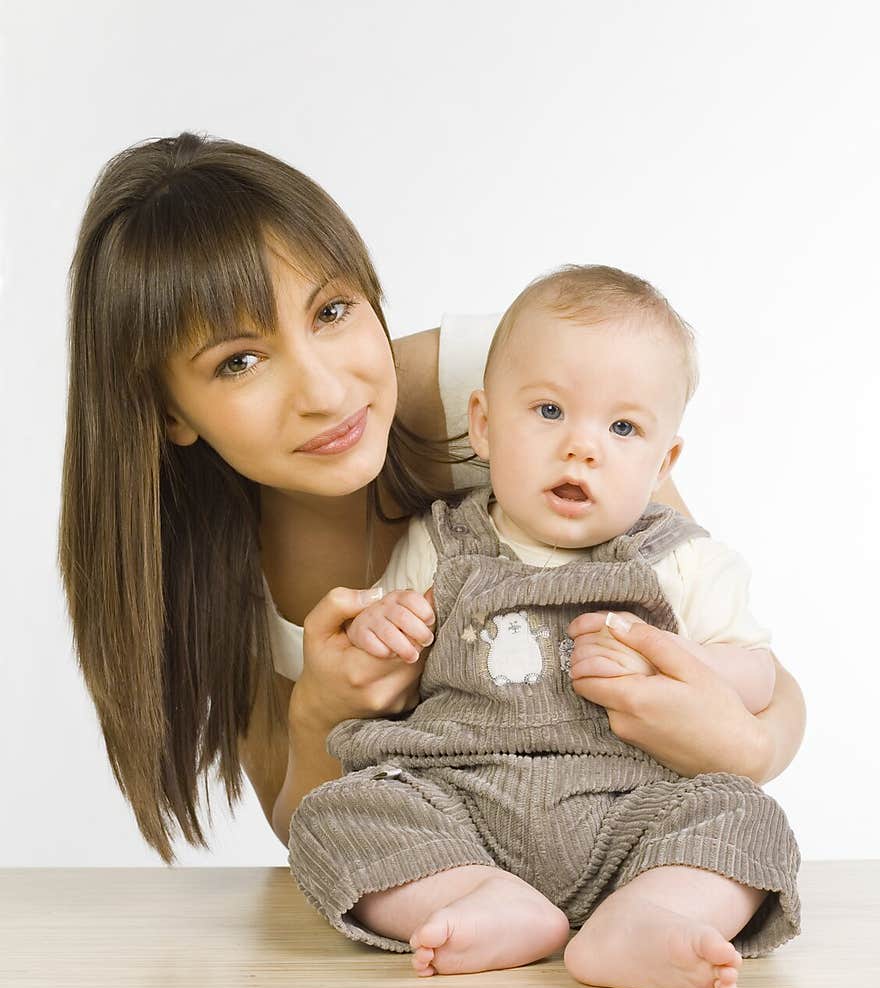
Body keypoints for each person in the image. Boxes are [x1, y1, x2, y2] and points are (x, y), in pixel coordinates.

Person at [59, 133, 805, 886]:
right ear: (168, 412)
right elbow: (305, 826)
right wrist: (321, 710)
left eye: (333, 310)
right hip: (459, 857)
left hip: (621, 822)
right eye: (239, 361)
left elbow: (733, 648)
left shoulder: (521, 391)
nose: (324, 391)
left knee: (739, 826)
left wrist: (740, 750)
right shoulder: (207, 558)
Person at [288, 265, 801, 988]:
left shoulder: (683, 560)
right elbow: (390, 638)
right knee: (336, 813)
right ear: (486, 426)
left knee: (744, 818)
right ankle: (476, 899)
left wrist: (687, 663)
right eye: (550, 412)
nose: (582, 448)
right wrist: (383, 624)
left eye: (623, 428)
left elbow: (759, 673)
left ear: (664, 462)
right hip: (460, 802)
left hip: (633, 810)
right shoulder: (442, 543)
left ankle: (648, 913)